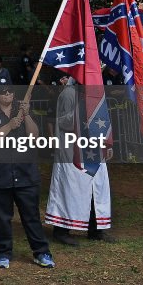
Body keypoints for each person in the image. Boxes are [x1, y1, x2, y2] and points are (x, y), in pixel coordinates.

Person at [0, 86, 54, 269]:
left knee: (31, 216)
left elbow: (34, 136)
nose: (7, 94)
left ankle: (41, 252)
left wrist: (26, 115)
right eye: (2, 92)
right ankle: (4, 252)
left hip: (25, 172)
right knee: (2, 217)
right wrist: (9, 126)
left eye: (10, 91)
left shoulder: (23, 110)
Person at [46, 75, 115, 245]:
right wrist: (81, 111)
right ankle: (61, 230)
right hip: (71, 149)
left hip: (93, 148)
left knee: (96, 189)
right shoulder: (68, 94)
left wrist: (107, 144)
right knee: (69, 188)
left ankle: (96, 229)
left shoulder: (96, 93)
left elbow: (103, 120)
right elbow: (63, 122)